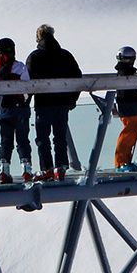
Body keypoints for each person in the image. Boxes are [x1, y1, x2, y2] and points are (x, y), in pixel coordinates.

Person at [25, 24, 82, 181]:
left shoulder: (34, 57)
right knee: (60, 137)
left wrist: (25, 102)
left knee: (43, 138)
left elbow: (28, 82)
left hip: (43, 103)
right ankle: (61, 168)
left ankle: (47, 169)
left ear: (38, 37)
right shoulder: (65, 55)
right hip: (62, 103)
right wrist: (72, 100)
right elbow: (77, 77)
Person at [0, 36, 32, 184]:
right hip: (20, 110)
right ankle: (26, 170)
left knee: (5, 141)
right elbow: (27, 88)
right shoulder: (20, 67)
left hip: (4, 111)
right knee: (22, 140)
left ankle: (3, 171)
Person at [111, 45, 137, 171]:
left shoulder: (127, 72)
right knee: (129, 133)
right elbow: (127, 92)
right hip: (129, 106)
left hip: (132, 105)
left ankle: (125, 161)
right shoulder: (123, 73)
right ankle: (121, 162)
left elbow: (131, 89)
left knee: (132, 133)